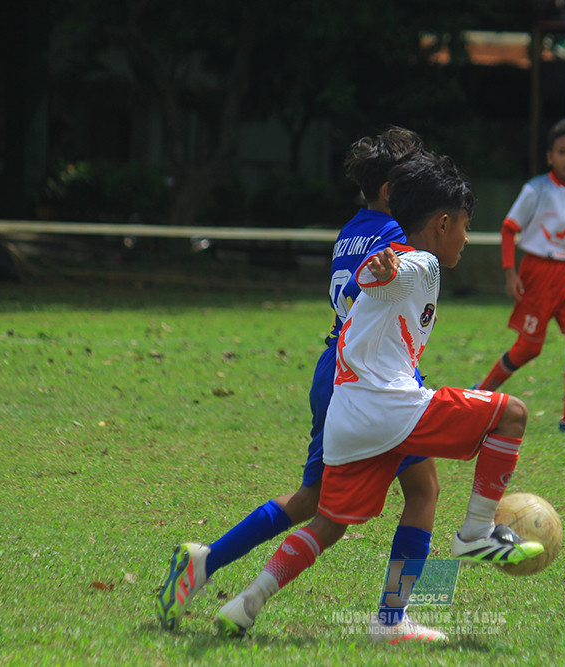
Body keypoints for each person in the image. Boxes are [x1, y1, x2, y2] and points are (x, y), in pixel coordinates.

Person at [214, 153, 544, 640]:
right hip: (389, 407)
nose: (468, 240)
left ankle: (246, 603)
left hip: (348, 416)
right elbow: (386, 274)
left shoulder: (396, 252)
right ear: (443, 222)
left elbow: (372, 284)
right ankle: (474, 535)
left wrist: (377, 273)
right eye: (466, 228)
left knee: (330, 523)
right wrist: (380, 270)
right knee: (511, 413)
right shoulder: (422, 262)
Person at [156, 127, 443, 643]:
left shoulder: (354, 228)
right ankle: (393, 619)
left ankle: (205, 562)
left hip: (333, 368)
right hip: (370, 377)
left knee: (314, 499)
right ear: (388, 189)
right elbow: (366, 291)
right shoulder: (394, 238)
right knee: (422, 491)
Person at [473, 118, 565, 435]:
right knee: (529, 348)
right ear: (550, 156)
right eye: (561, 151)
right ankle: (483, 391)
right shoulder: (536, 189)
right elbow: (509, 228)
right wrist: (510, 274)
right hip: (538, 272)